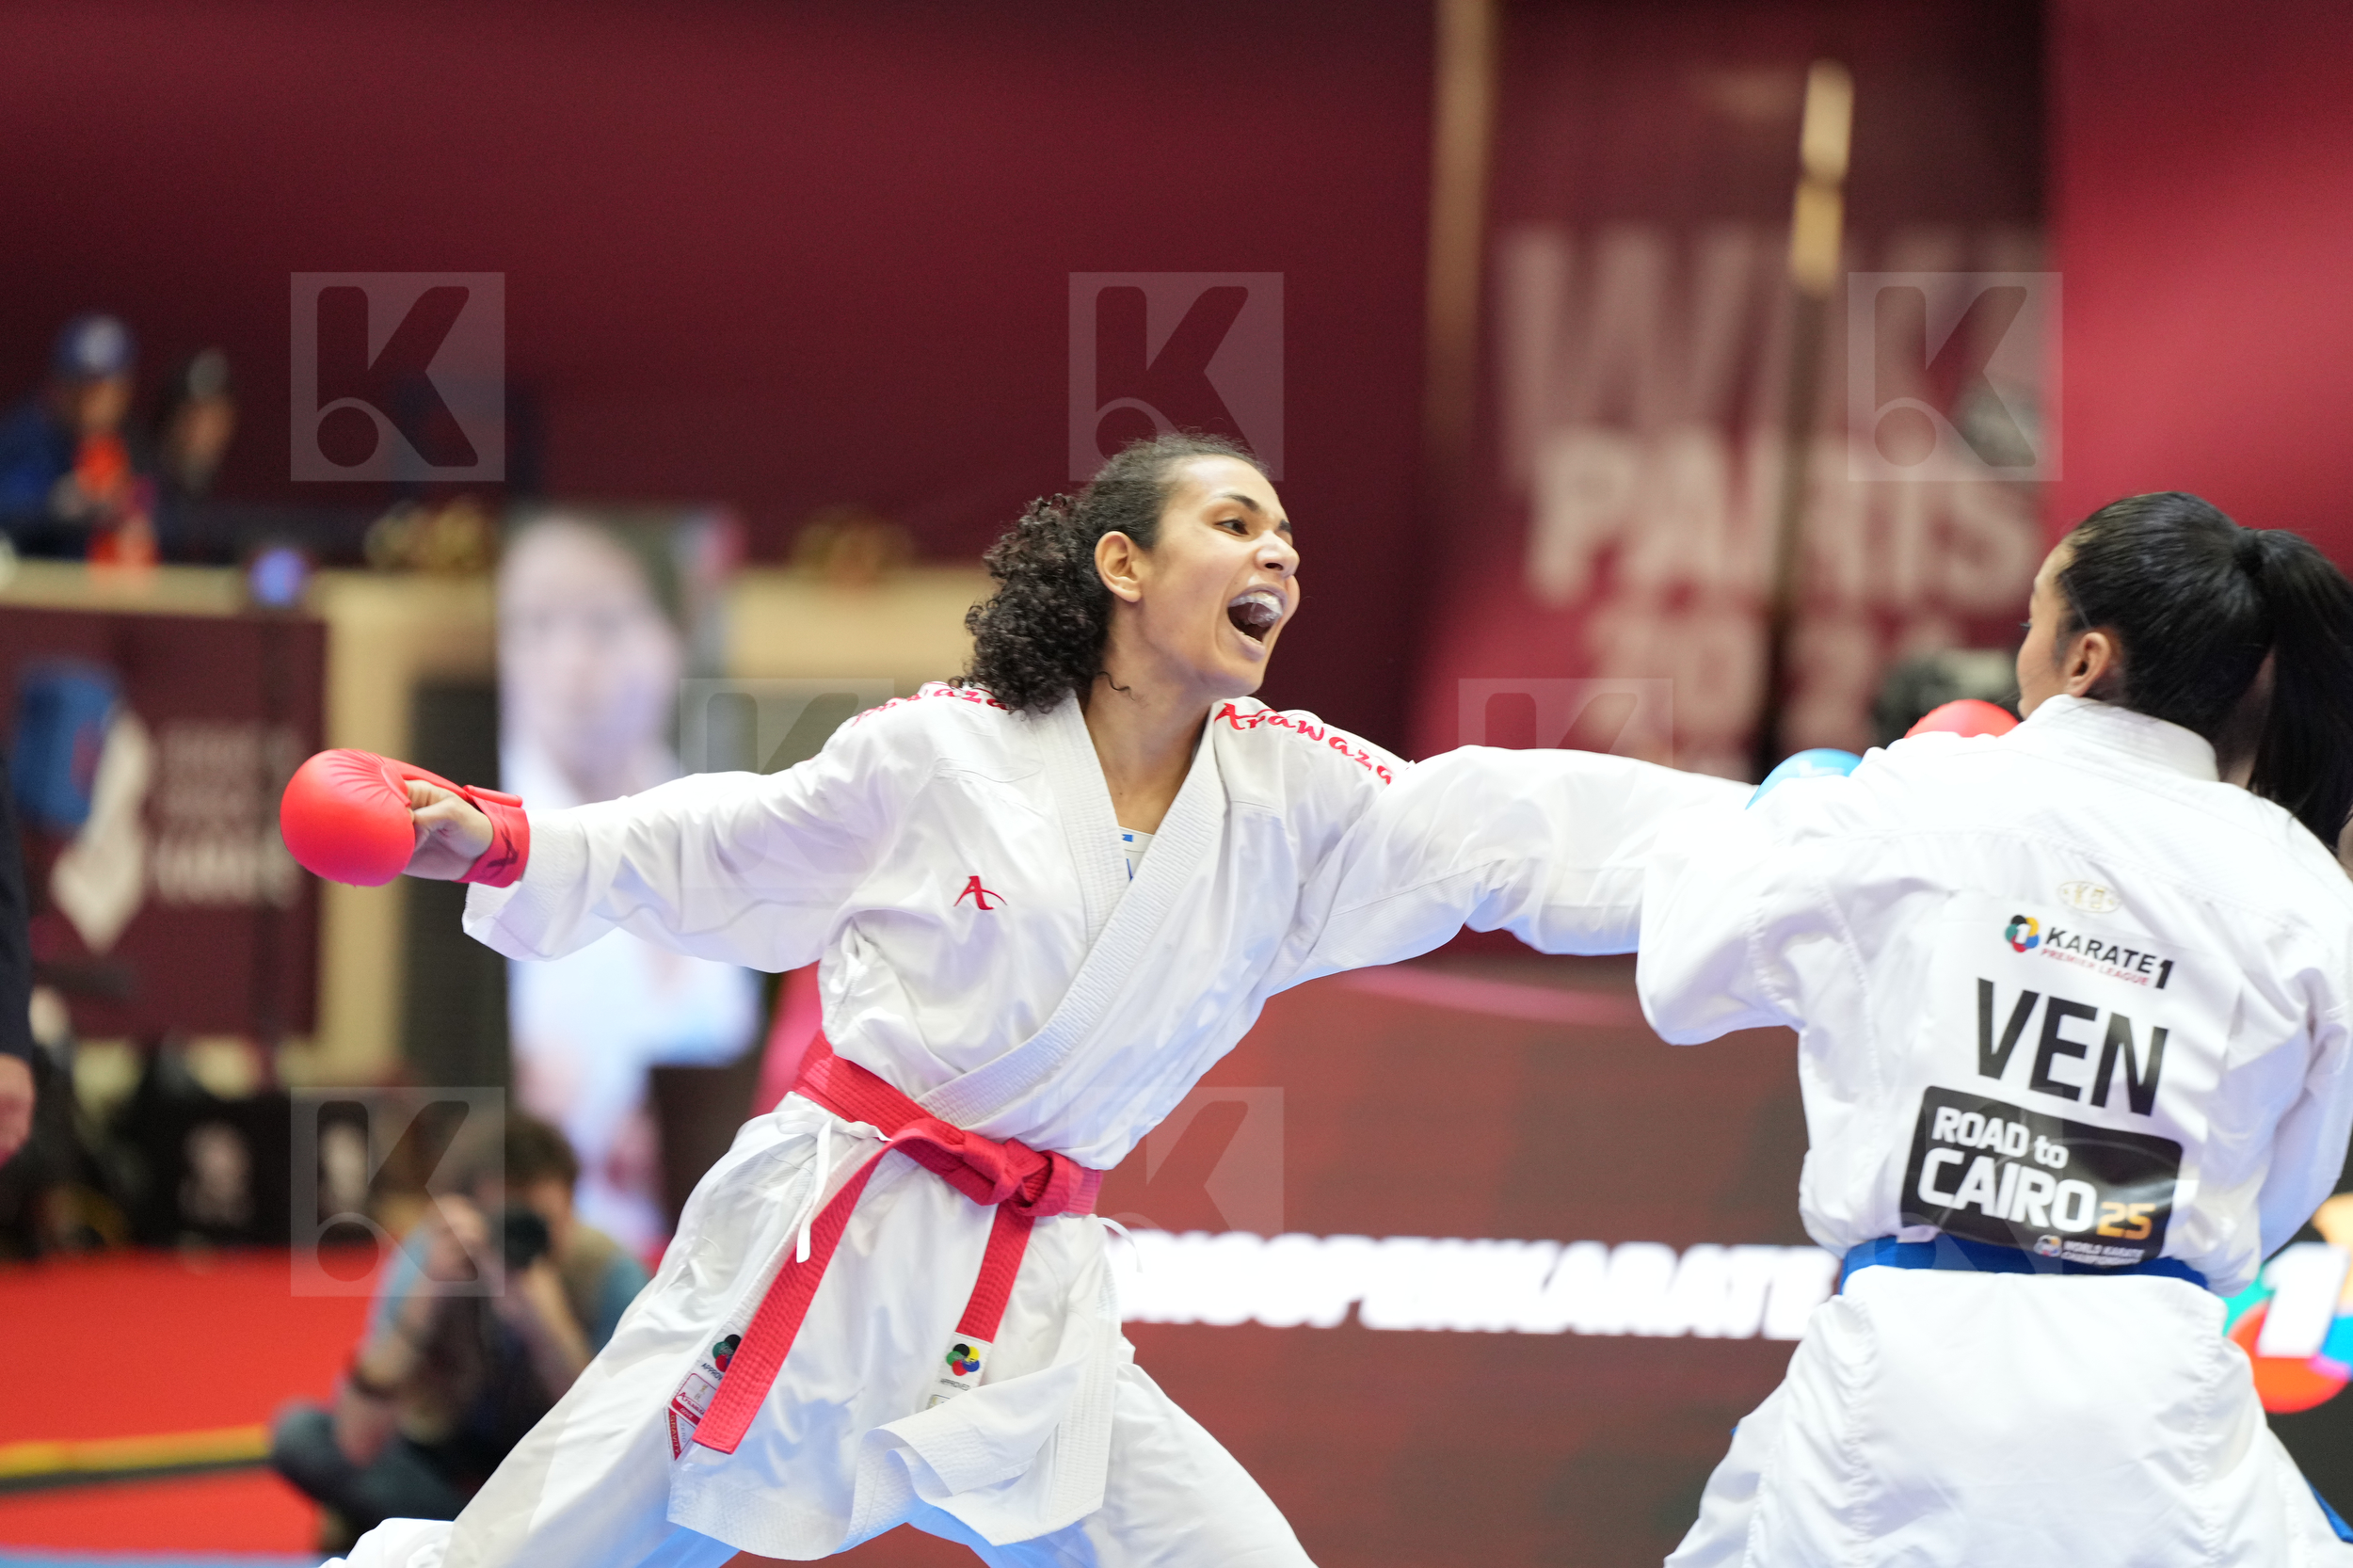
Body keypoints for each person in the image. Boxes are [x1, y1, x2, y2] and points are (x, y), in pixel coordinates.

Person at [312, 432, 1748, 1568]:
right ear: (1122, 562)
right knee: (542, 1544)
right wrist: (497, 833)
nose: (1281, 553)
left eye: (1289, 539)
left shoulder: (1293, 790)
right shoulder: (945, 753)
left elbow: (1502, 821)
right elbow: (725, 844)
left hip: (1034, 1288)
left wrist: (1784, 839)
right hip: (823, 1235)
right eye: (1236, 523)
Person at [1641, 492, 2353, 1565]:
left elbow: (1684, 978)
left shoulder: (1926, 788)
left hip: (1910, 1372)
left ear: (2083, 659)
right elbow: (2290, 1175)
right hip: (2156, 1385)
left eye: (2030, 617)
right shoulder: (2299, 876)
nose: (2014, 649)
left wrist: (1792, 798)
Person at [495, 515, 760, 1252]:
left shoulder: (716, 818)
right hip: (556, 1237)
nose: (570, 662)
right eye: (536, 626)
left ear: (675, 636)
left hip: (700, 1232)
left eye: (606, 624)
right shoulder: (483, 835)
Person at [271, 1114, 649, 1550]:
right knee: (300, 1435)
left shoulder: (610, 1271)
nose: (523, 1243)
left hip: (556, 1472)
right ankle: (489, 1543)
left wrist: (545, 1323)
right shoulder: (434, 1258)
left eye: (542, 1226)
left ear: (573, 1208)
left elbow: (617, 1442)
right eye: (507, 1224)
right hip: (451, 1454)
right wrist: (421, 1309)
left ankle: (457, 1541)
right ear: (470, 1212)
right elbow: (356, 1442)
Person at [0, 313, 154, 561]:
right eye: (78, 385)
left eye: (101, 388)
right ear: (58, 383)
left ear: (124, 390)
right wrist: (54, 505)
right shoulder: (26, 438)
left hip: (112, 593)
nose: (88, 402)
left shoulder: (135, 446)